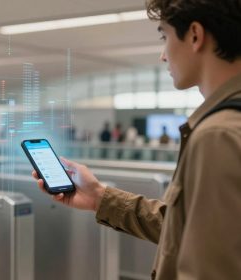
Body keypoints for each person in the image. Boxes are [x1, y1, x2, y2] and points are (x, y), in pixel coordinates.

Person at [32, 1, 241, 279]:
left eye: (164, 37)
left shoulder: (217, 135)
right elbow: (185, 228)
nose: (163, 56)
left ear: (194, 35)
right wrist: (99, 197)